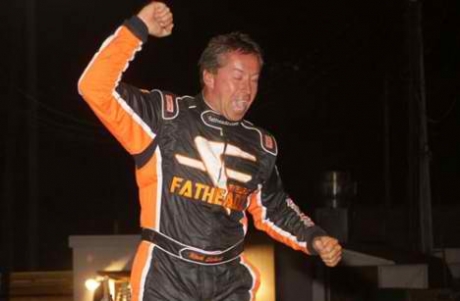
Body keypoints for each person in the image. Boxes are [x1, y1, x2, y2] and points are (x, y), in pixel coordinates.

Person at [78, 1, 342, 300]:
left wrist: (314, 238)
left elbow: (274, 208)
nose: (247, 89)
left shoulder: (260, 144)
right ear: (209, 76)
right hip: (167, 275)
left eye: (254, 80)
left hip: (228, 278)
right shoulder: (166, 118)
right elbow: (95, 87)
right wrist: (137, 29)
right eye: (238, 77)